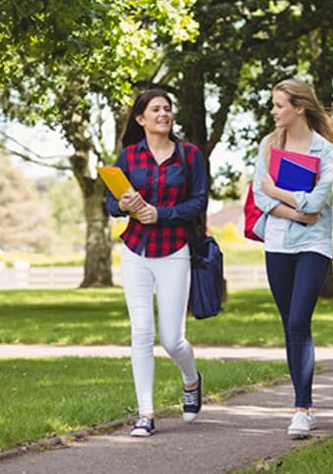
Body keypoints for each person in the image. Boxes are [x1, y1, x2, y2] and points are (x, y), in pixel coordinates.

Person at [105, 88, 208, 437]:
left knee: (172, 340)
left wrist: (160, 214)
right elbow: (110, 203)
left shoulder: (189, 155)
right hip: (135, 250)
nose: (163, 114)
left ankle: (191, 380)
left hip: (174, 249)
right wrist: (123, 205)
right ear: (141, 119)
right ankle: (145, 414)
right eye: (155, 109)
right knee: (141, 332)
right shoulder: (129, 157)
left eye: (167, 108)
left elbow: (198, 202)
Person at [250, 78, 333, 439]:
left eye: (279, 105)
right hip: (277, 243)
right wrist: (298, 212)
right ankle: (305, 404)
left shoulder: (325, 152)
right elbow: (260, 197)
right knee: (289, 324)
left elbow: (317, 202)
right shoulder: (269, 146)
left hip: (313, 246)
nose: (273, 111)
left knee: (298, 322)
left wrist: (279, 192)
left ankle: (301, 409)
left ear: (299, 108)